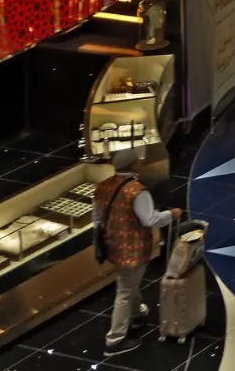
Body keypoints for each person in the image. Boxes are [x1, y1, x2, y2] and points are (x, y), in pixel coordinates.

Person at [94, 148, 181, 358]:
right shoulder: (137, 191)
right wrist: (172, 214)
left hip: (113, 245)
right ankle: (114, 341)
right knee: (124, 291)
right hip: (133, 248)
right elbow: (149, 220)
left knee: (128, 283)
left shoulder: (103, 187)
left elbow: (96, 218)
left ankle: (137, 313)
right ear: (133, 165)